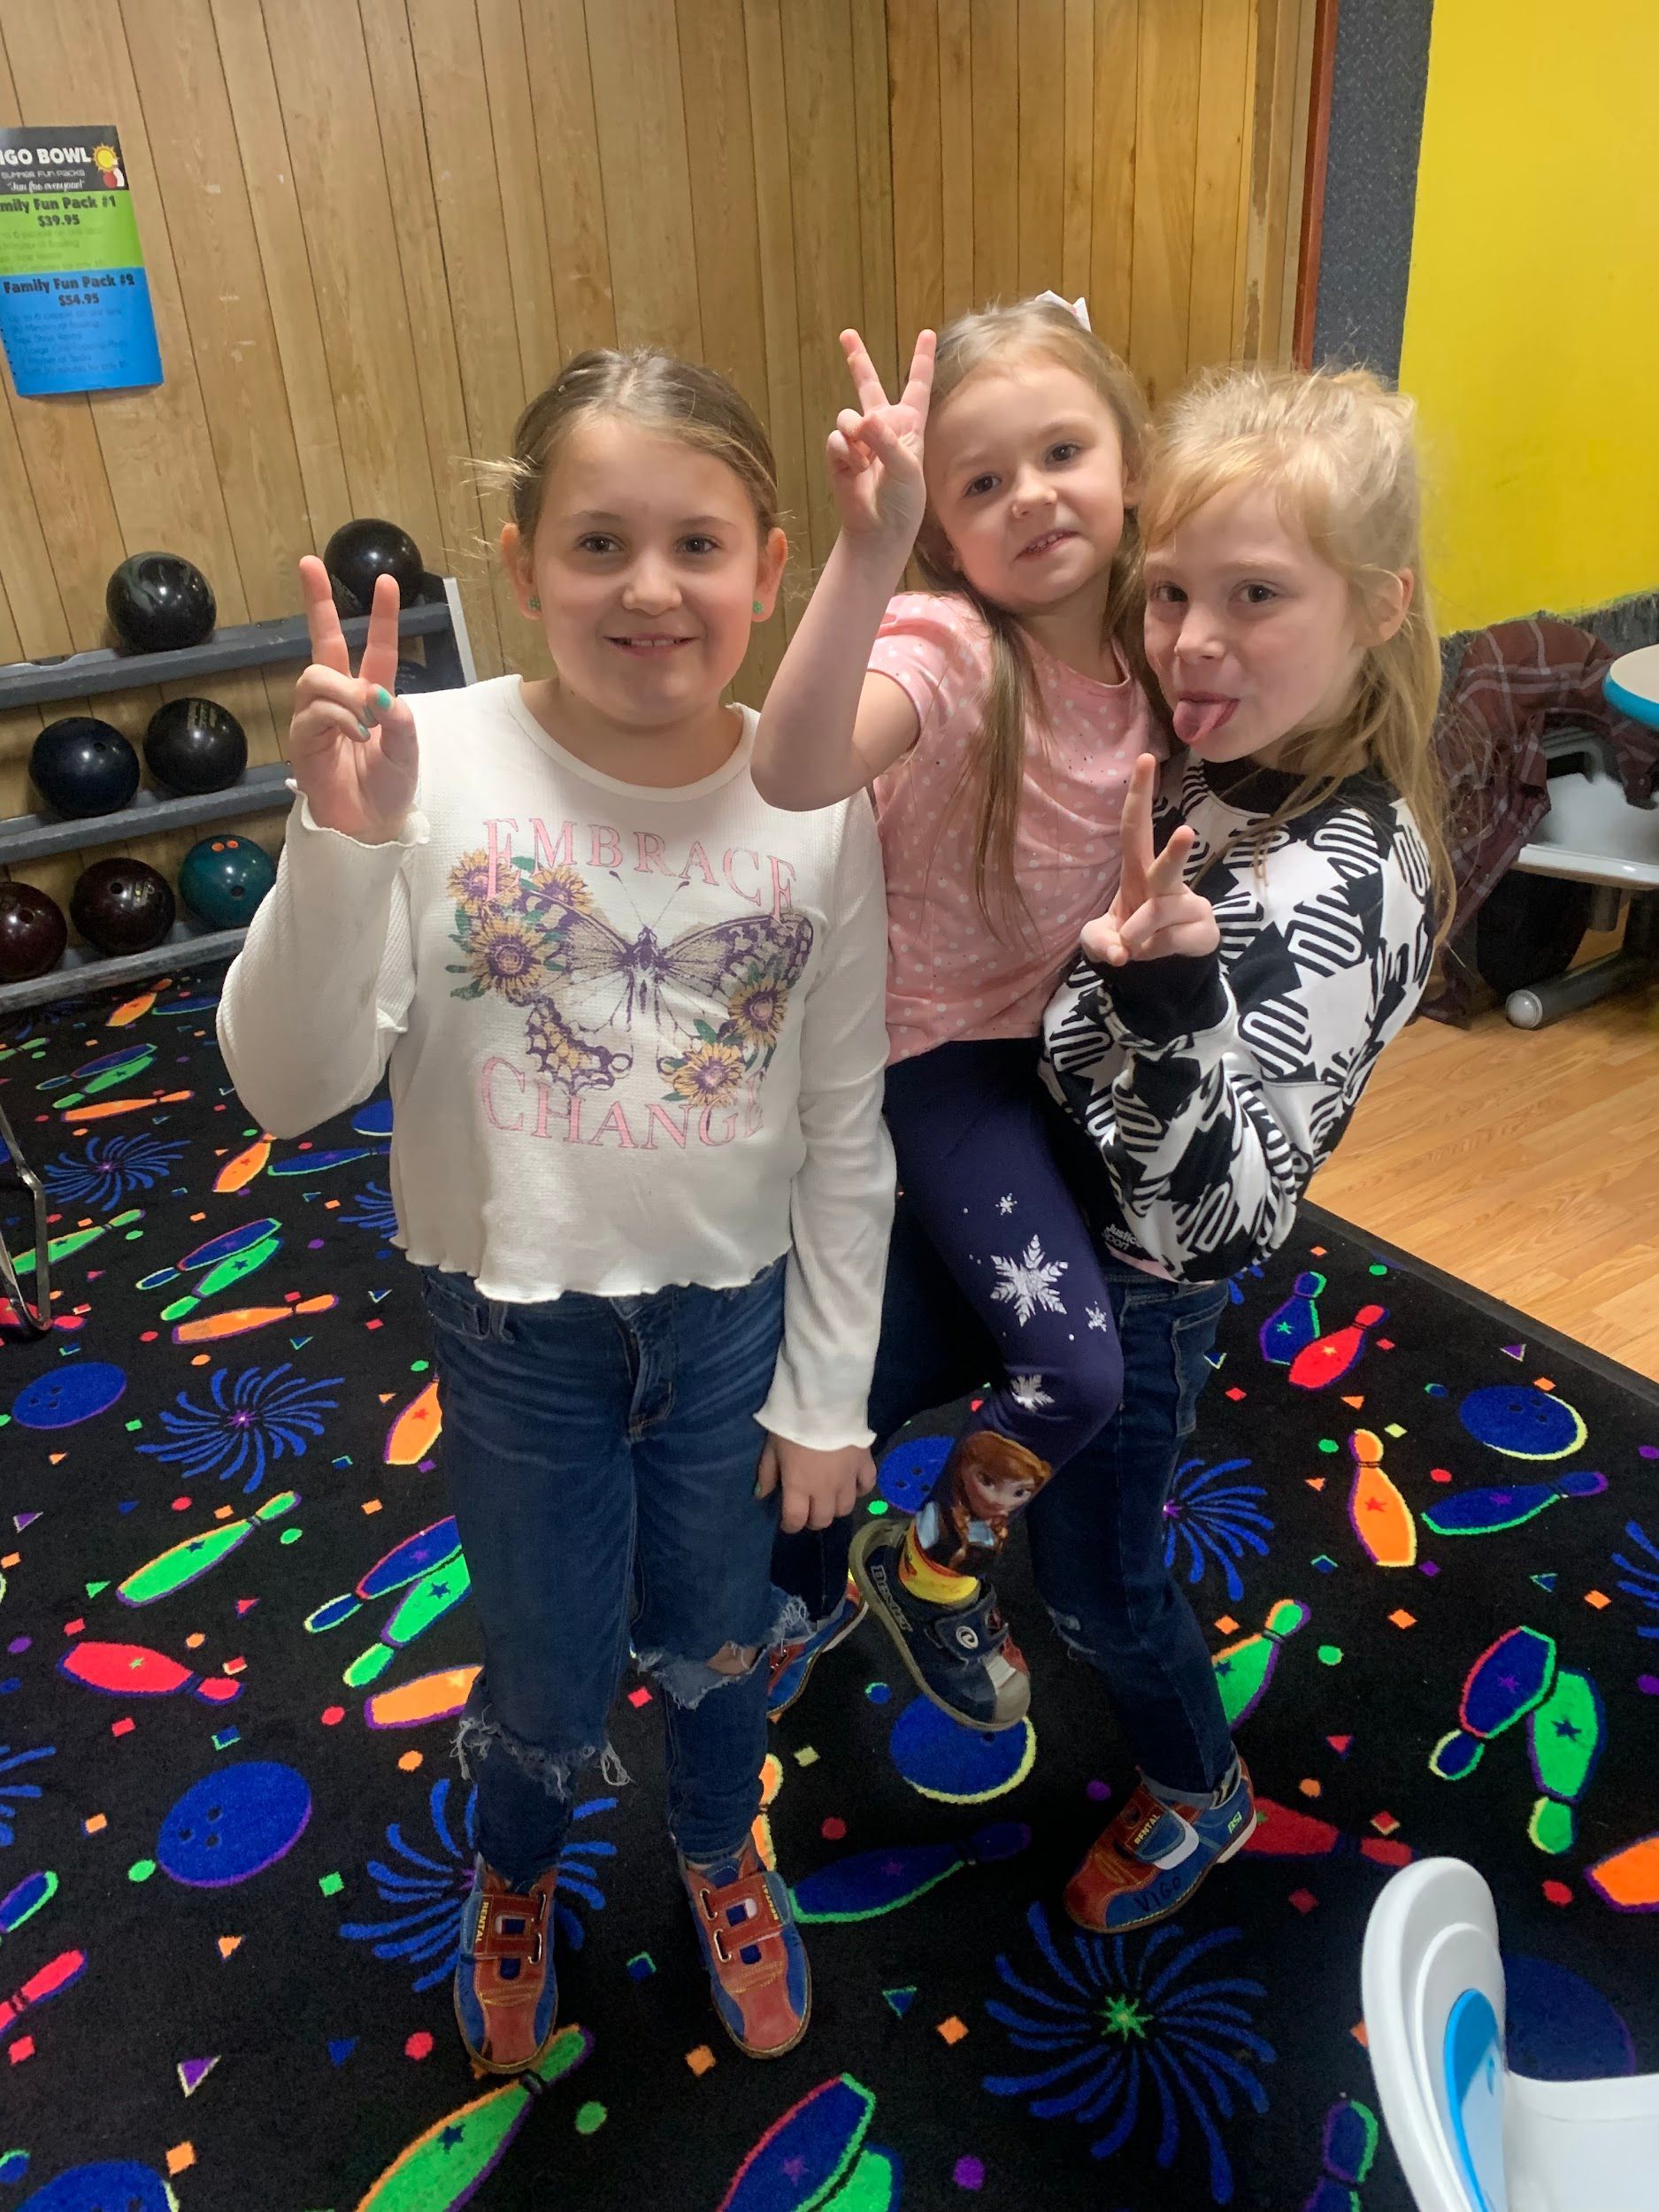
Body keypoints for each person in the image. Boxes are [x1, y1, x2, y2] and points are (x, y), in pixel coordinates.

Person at [217, 349, 894, 2068]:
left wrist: (825, 1390)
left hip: (731, 1317)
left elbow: (839, 1120)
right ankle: (513, 1867)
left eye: (697, 545)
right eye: (598, 543)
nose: (649, 589)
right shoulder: (421, 755)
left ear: (766, 565)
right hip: (513, 1325)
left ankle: (711, 1837)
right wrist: (337, 839)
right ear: (517, 560)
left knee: (722, 1636)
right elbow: (286, 1086)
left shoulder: (811, 797)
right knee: (539, 1657)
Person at [785, 361, 1449, 1933]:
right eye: (1172, 595)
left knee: (1096, 1583)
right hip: (1020, 1153)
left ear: (1379, 606)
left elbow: (1218, 1221)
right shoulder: (1203, 737)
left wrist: (1155, 1003)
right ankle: (853, 1586)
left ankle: (1202, 1790)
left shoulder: (1348, 885)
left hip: (1144, 1274)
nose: (1195, 642)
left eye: (1257, 597)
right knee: (843, 1388)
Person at [756, 296, 1162, 1736]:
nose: (1032, 497)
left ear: (1130, 460)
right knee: (1073, 1362)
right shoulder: (942, 637)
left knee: (906, 1346)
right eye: (983, 484)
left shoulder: (1164, 644)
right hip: (934, 1063)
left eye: (1063, 451)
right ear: (947, 530)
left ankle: (791, 1566)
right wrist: (870, 553)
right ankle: (929, 1572)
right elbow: (797, 770)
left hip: (1066, 1051)